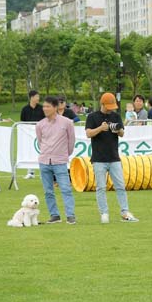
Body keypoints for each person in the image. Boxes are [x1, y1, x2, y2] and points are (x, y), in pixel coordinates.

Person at [85, 93, 138, 223]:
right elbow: (88, 133)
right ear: (102, 104)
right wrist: (101, 128)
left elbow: (122, 133)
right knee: (101, 187)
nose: (111, 109)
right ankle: (104, 213)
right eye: (109, 106)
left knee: (120, 186)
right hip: (98, 159)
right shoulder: (92, 117)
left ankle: (125, 212)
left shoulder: (116, 116)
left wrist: (118, 130)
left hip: (114, 157)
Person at [36, 96, 76, 225]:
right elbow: (40, 141)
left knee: (65, 189)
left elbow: (71, 141)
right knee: (48, 191)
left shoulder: (67, 122)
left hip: (60, 161)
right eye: (44, 106)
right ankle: (54, 215)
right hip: (44, 161)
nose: (44, 109)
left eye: (47, 106)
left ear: (55, 107)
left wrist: (64, 154)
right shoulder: (40, 124)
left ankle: (70, 215)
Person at [20, 90, 45, 179]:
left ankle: (43, 172)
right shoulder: (25, 109)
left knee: (42, 152)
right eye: (37, 96)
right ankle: (30, 172)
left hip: (41, 134)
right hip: (28, 135)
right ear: (32, 97)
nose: (38, 98)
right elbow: (22, 122)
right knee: (30, 151)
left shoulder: (42, 108)